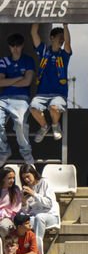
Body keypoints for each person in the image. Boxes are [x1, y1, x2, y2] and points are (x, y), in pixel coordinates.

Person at [29, 23, 69, 143]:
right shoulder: (43, 51)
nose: (62, 40)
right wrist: (38, 16)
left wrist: (65, 25)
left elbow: (68, 43)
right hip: (42, 94)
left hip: (58, 94)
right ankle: (44, 126)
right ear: (51, 38)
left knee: (53, 107)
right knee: (33, 107)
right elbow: (33, 33)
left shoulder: (64, 54)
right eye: (59, 37)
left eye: (63, 37)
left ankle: (56, 125)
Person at [0, 33, 33, 167]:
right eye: (12, 45)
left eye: (18, 45)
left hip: (21, 99)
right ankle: (4, 151)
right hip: (3, 99)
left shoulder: (28, 60)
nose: (15, 48)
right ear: (9, 46)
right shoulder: (3, 60)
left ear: (22, 45)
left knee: (20, 123)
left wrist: (7, 81)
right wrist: (18, 78)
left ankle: (26, 153)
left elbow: (27, 81)